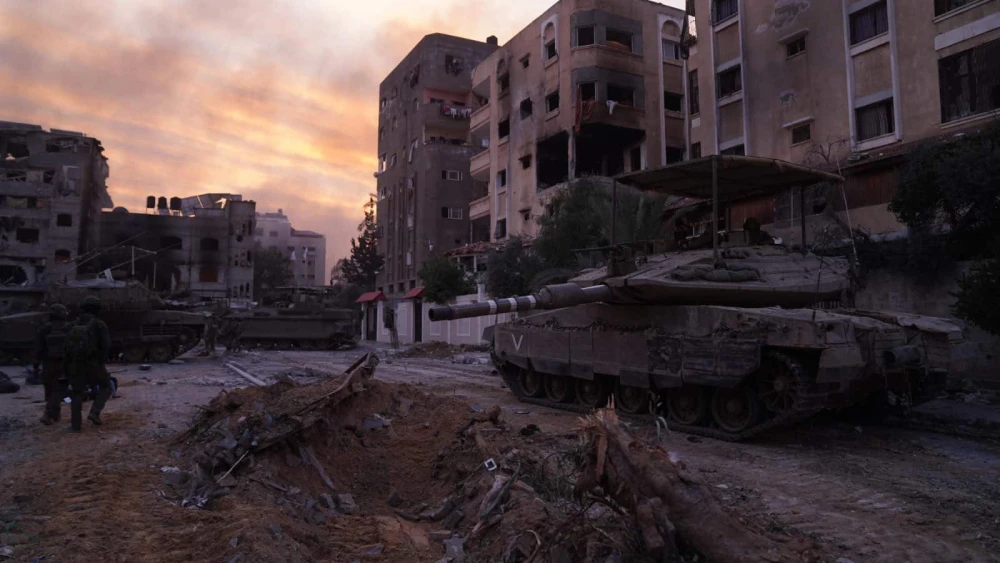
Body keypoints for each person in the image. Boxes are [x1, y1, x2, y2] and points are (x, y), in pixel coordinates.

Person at [65, 296, 113, 431]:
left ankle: (75, 426)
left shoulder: (72, 325)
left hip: (76, 363)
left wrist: (69, 365)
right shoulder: (99, 324)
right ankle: (94, 412)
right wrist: (101, 362)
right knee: (106, 387)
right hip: (94, 363)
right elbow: (106, 345)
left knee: (77, 393)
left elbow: (65, 347)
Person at [33, 304, 70, 425]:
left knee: (50, 389)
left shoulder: (44, 329)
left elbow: (38, 349)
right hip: (63, 363)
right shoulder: (68, 328)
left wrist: (36, 365)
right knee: (59, 390)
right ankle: (48, 413)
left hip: (47, 363)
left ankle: (55, 415)